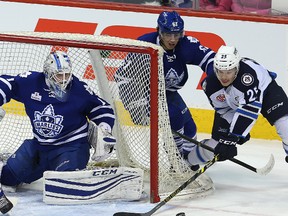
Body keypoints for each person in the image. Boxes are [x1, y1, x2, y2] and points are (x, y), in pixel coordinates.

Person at [115, 11, 215, 169]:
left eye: (177, 34)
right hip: (145, 93)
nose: (173, 39)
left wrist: (216, 78)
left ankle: (187, 163)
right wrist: (134, 105)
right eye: (168, 34)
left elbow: (210, 60)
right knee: (174, 116)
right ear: (158, 30)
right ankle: (176, 162)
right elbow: (124, 78)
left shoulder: (186, 44)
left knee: (189, 127)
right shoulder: (145, 46)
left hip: (168, 92)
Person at [0, 51, 116, 187]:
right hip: (39, 146)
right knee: (7, 179)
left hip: (71, 147)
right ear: (47, 73)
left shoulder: (79, 90)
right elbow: (7, 83)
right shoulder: (31, 82)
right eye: (60, 75)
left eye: (67, 74)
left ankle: (79, 171)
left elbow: (102, 108)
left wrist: (104, 128)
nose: (64, 80)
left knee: (64, 185)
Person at [186, 45, 288, 165]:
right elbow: (225, 111)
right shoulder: (210, 85)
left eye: (229, 72)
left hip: (267, 92)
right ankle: (186, 164)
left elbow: (249, 112)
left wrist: (234, 136)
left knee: (284, 124)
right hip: (234, 103)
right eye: (220, 72)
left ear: (237, 68)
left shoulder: (247, 79)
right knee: (215, 145)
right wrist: (230, 137)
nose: (224, 77)